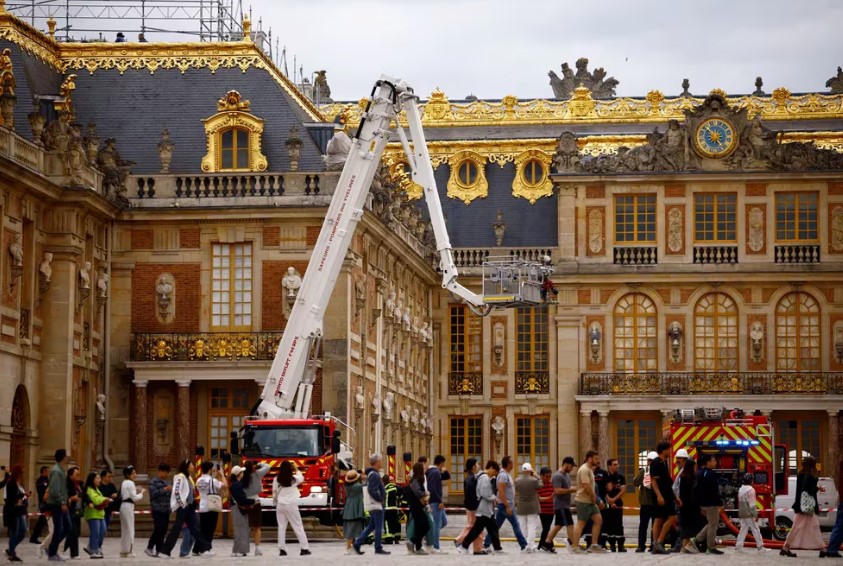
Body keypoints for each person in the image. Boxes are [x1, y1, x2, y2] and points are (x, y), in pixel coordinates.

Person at [159, 459, 210, 559]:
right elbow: (176, 492)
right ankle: (164, 551)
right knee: (176, 529)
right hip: (183, 507)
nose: (193, 466)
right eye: (191, 465)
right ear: (187, 466)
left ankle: (204, 549)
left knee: (196, 528)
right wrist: (182, 504)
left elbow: (190, 492)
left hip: (190, 507)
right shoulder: (180, 477)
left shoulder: (189, 478)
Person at [456, 460, 503, 555]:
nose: (494, 475)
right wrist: (495, 498)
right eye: (495, 472)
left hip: (485, 509)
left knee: (490, 528)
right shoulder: (484, 478)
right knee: (478, 530)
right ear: (491, 468)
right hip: (484, 509)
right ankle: (463, 546)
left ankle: (497, 548)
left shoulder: (482, 477)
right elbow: (485, 494)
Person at [781, 456, 825, 557]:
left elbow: (804, 488)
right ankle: (785, 548)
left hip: (801, 506)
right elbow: (809, 490)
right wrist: (818, 488)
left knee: (806, 527)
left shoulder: (801, 475)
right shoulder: (809, 476)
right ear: (812, 465)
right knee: (810, 527)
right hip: (806, 508)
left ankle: (823, 548)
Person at [484, 455, 528, 552]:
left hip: (505, 504)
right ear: (508, 464)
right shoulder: (503, 475)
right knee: (516, 524)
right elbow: (501, 491)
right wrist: (507, 506)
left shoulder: (506, 474)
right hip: (505, 504)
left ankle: (486, 544)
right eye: (511, 462)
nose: (513, 464)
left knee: (496, 526)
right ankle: (524, 545)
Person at [351, 454, 390, 555]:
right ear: (377, 462)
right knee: (378, 526)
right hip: (376, 504)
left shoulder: (371, 474)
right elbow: (372, 489)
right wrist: (380, 499)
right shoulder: (375, 475)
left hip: (374, 504)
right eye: (380, 461)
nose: (381, 462)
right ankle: (378, 547)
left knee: (371, 525)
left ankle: (358, 543)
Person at [569, 450, 605, 554]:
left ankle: (593, 545)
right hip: (583, 501)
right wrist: (595, 498)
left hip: (590, 501)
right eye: (596, 458)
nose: (598, 460)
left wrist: (595, 500)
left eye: (598, 458)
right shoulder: (584, 469)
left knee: (598, 520)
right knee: (581, 523)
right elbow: (586, 485)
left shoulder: (589, 469)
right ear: (589, 458)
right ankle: (575, 547)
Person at [272, 460, 310, 556]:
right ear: (290, 469)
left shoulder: (276, 479)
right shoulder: (294, 479)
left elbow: (274, 492)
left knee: (281, 527)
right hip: (291, 505)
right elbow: (301, 477)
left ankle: (282, 549)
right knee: (297, 526)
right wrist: (296, 468)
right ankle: (304, 548)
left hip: (280, 505)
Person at [649, 442, 676, 554]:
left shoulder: (664, 462)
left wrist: (675, 497)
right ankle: (658, 542)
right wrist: (659, 496)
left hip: (667, 496)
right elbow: (654, 481)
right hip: (661, 497)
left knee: (660, 519)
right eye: (668, 449)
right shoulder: (656, 463)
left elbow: (667, 481)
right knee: (665, 518)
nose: (670, 452)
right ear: (663, 450)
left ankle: (657, 544)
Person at [544, 456, 576, 552]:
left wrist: (575, 488)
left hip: (564, 505)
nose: (572, 468)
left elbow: (567, 488)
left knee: (558, 524)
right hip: (561, 505)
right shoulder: (558, 476)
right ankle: (573, 544)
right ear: (566, 464)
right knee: (570, 524)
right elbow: (557, 491)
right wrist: (573, 490)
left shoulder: (566, 475)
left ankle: (547, 543)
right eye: (571, 466)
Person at [46, 449, 73, 561]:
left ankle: (52, 549)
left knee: (67, 526)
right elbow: (55, 490)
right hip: (56, 503)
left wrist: (66, 499)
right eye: (66, 456)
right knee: (59, 528)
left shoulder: (61, 470)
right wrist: (62, 502)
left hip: (61, 502)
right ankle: (52, 552)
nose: (68, 457)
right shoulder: (57, 471)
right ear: (63, 457)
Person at [694, 454, 723, 555]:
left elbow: (697, 490)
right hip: (711, 504)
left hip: (703, 504)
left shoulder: (699, 473)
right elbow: (714, 491)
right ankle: (711, 547)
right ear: (708, 463)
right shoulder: (710, 474)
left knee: (712, 522)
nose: (715, 462)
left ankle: (698, 538)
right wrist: (720, 503)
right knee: (713, 524)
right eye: (713, 461)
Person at [454, 458, 484, 554]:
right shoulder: (472, 479)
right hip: (474, 506)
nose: (478, 466)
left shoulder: (469, 478)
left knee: (473, 526)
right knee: (477, 527)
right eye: (477, 464)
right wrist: (476, 505)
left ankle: (476, 548)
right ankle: (461, 541)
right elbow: (472, 494)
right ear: (473, 466)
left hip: (470, 505)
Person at [241, 461, 269, 556]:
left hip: (245, 502)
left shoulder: (242, 476)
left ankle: (244, 549)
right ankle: (257, 548)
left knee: (245, 527)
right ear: (252, 467)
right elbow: (268, 466)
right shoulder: (257, 474)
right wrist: (260, 464)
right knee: (256, 527)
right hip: (256, 501)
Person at [196, 461, 224, 556]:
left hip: (202, 505)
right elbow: (224, 485)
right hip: (212, 506)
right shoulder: (212, 480)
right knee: (210, 530)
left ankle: (198, 549)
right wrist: (222, 475)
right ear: (209, 470)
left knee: (203, 529)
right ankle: (206, 549)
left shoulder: (199, 480)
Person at [735, 472, 767, 553]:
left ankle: (738, 547)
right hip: (749, 513)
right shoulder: (751, 490)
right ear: (751, 480)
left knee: (743, 530)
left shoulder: (740, 489)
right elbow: (752, 503)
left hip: (742, 512)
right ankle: (760, 547)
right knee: (755, 529)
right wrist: (754, 514)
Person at [145, 463, 172, 557]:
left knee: (163, 531)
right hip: (157, 509)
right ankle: (149, 547)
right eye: (165, 472)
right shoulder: (154, 482)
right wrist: (165, 489)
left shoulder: (168, 482)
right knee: (158, 529)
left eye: (168, 473)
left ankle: (159, 550)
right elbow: (154, 494)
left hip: (166, 510)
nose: (167, 474)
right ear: (160, 471)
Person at [633, 451, 657, 552]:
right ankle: (653, 545)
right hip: (655, 503)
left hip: (645, 503)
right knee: (655, 525)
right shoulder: (658, 471)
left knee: (643, 525)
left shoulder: (644, 471)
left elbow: (635, 482)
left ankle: (641, 546)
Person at [3, 464, 28, 562]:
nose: (23, 474)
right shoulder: (11, 483)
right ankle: (12, 553)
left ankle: (10, 550)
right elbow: (11, 498)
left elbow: (18, 496)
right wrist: (22, 495)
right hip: (13, 511)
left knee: (22, 532)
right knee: (14, 532)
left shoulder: (19, 484)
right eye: (22, 472)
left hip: (19, 510)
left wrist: (23, 495)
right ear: (18, 473)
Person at [515, 462, 542, 553]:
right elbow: (541, 485)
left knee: (522, 526)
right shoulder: (533, 481)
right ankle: (530, 545)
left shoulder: (517, 480)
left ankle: (524, 545)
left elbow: (516, 490)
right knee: (532, 526)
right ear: (530, 470)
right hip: (532, 506)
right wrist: (537, 476)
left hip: (521, 506)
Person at [405, 462, 431, 555]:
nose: (425, 470)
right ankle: (412, 541)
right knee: (425, 525)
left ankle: (418, 547)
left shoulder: (417, 480)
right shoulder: (415, 481)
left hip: (418, 507)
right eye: (423, 469)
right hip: (416, 507)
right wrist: (426, 494)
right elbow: (418, 493)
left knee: (419, 527)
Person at [118, 465, 144, 558]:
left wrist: (136, 490)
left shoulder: (124, 482)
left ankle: (123, 550)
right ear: (128, 474)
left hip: (123, 506)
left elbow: (127, 494)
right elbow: (135, 498)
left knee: (124, 529)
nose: (135, 475)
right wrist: (141, 493)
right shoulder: (130, 483)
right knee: (130, 528)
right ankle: (130, 551)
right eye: (133, 473)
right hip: (128, 506)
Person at [228, 466, 253, 557]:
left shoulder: (235, 484)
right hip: (238, 508)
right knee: (240, 529)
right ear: (238, 474)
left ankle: (242, 549)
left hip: (237, 508)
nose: (243, 474)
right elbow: (241, 499)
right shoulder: (237, 485)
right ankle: (236, 550)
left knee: (242, 528)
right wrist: (253, 501)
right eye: (241, 472)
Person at [83, 471, 108, 559]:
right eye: (97, 478)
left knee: (103, 531)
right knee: (95, 533)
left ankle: (95, 546)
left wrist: (103, 499)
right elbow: (96, 500)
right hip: (92, 514)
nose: (99, 480)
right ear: (92, 480)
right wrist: (105, 499)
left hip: (100, 514)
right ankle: (93, 550)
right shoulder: (89, 489)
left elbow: (100, 498)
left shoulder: (97, 489)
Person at [603, 458, 626, 552]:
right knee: (609, 523)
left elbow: (623, 490)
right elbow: (602, 490)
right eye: (615, 464)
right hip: (607, 504)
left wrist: (614, 500)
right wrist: (609, 501)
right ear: (609, 466)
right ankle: (612, 545)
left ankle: (621, 545)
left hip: (618, 503)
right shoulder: (605, 477)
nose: (617, 466)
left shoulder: (621, 477)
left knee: (619, 523)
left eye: (617, 464)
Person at [677, 459, 699, 553]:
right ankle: (687, 546)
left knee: (685, 526)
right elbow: (693, 493)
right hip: (691, 506)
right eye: (695, 466)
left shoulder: (682, 477)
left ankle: (684, 547)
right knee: (690, 527)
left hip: (683, 506)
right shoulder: (692, 478)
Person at [426, 455, 447, 553]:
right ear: (441, 463)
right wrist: (440, 501)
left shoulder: (432, 472)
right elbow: (433, 489)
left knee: (443, 522)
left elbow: (447, 477)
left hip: (435, 500)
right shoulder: (435, 473)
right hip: (436, 501)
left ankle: (430, 537)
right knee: (437, 524)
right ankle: (435, 546)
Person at [62, 466, 83, 560]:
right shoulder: (66, 483)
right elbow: (63, 496)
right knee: (72, 531)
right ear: (70, 475)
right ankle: (73, 553)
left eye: (79, 474)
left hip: (76, 510)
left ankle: (65, 550)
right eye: (76, 474)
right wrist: (71, 498)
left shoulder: (77, 484)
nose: (78, 476)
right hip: (68, 510)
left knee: (75, 531)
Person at [342, 470, 365, 553]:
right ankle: (348, 547)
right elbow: (366, 486)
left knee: (350, 528)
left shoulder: (347, 486)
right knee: (352, 528)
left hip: (349, 506)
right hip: (354, 508)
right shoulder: (357, 487)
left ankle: (352, 547)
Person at [30, 465, 51, 544]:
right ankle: (34, 537)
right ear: (44, 471)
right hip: (43, 503)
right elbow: (41, 491)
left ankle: (35, 536)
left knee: (42, 521)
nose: (48, 472)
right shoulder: (40, 481)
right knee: (42, 520)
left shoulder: (47, 480)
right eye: (47, 471)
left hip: (48, 503)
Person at [537, 466, 556, 553]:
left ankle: (544, 545)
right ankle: (546, 545)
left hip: (551, 511)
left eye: (549, 476)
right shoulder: (539, 485)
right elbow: (538, 498)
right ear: (541, 476)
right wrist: (548, 498)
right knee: (546, 528)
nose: (548, 478)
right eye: (546, 476)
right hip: (543, 511)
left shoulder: (552, 484)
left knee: (547, 528)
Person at [97, 469, 119, 545]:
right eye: (108, 476)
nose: (110, 478)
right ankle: (95, 546)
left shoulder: (112, 485)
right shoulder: (99, 486)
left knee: (103, 530)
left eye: (111, 477)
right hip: (100, 510)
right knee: (99, 530)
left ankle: (99, 546)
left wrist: (115, 495)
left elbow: (116, 494)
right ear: (103, 477)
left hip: (108, 511)